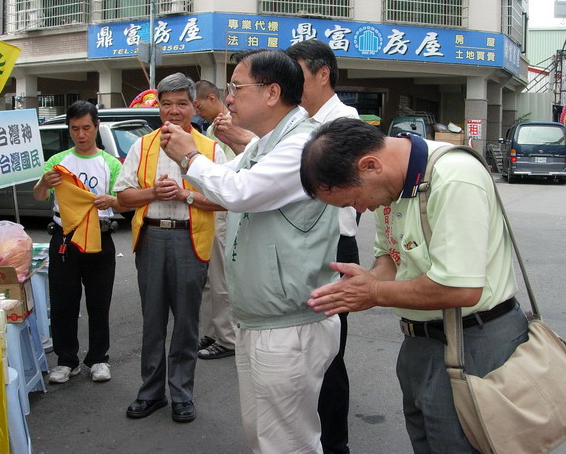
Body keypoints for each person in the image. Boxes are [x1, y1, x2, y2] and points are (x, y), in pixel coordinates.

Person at [300, 118, 530, 453]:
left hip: (475, 342)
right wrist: (368, 281)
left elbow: (460, 289)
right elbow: (391, 258)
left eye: (354, 201)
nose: (361, 209)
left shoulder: (453, 177)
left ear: (369, 165)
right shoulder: (392, 186)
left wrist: (373, 292)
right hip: (420, 342)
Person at [161, 49, 341, 453]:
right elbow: (225, 179)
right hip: (262, 320)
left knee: (287, 442)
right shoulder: (266, 145)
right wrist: (193, 161)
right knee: (263, 435)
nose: (228, 98)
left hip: (289, 324)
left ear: (271, 92)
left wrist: (190, 156)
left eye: (236, 88)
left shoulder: (304, 145)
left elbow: (240, 191)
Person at [114, 73, 226, 423]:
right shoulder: (142, 146)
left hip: (190, 239)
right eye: (167, 104)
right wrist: (153, 193)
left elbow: (225, 199)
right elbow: (122, 196)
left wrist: (185, 195)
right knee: (152, 320)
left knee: (187, 322)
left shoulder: (210, 149)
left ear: (194, 106)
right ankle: (150, 392)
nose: (174, 111)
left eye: (181, 103)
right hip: (151, 238)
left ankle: (181, 394)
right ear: (158, 107)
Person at [286, 38, 360, 454]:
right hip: (301, 246)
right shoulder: (298, 120)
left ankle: (335, 446)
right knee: (300, 352)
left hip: (334, 249)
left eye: (297, 75)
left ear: (323, 74)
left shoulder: (343, 123)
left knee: (328, 355)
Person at [33, 100, 124, 384]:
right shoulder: (57, 162)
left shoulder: (110, 163)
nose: (81, 134)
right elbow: (39, 196)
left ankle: (98, 359)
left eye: (86, 128)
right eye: (74, 129)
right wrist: (44, 183)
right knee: (63, 302)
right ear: (68, 129)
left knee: (99, 301)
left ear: (97, 126)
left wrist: (112, 201)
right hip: (64, 238)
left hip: (100, 236)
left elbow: (124, 201)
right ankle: (66, 360)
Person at [193, 80, 239, 360]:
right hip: (209, 205)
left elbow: (232, 172)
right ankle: (213, 331)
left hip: (223, 207)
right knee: (209, 278)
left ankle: (227, 337)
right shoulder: (211, 129)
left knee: (220, 276)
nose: (197, 112)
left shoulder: (231, 125)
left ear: (212, 98)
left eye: (198, 106)